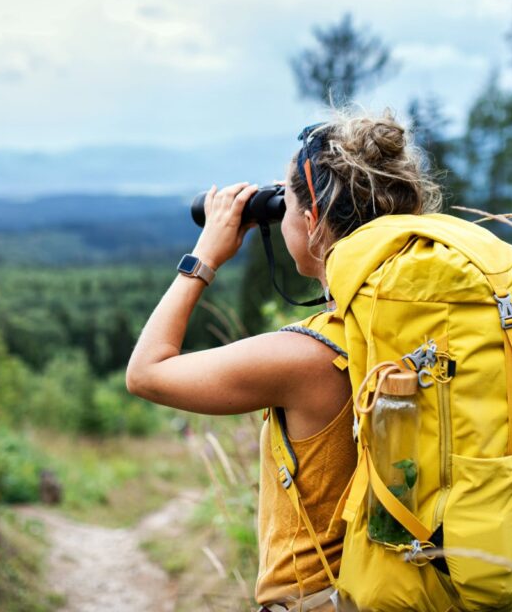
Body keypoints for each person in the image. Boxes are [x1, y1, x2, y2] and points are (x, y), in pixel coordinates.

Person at [126, 110, 440, 612]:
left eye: (287, 205)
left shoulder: (306, 356)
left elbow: (145, 373)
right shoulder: (437, 331)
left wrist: (203, 257)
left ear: (311, 224)